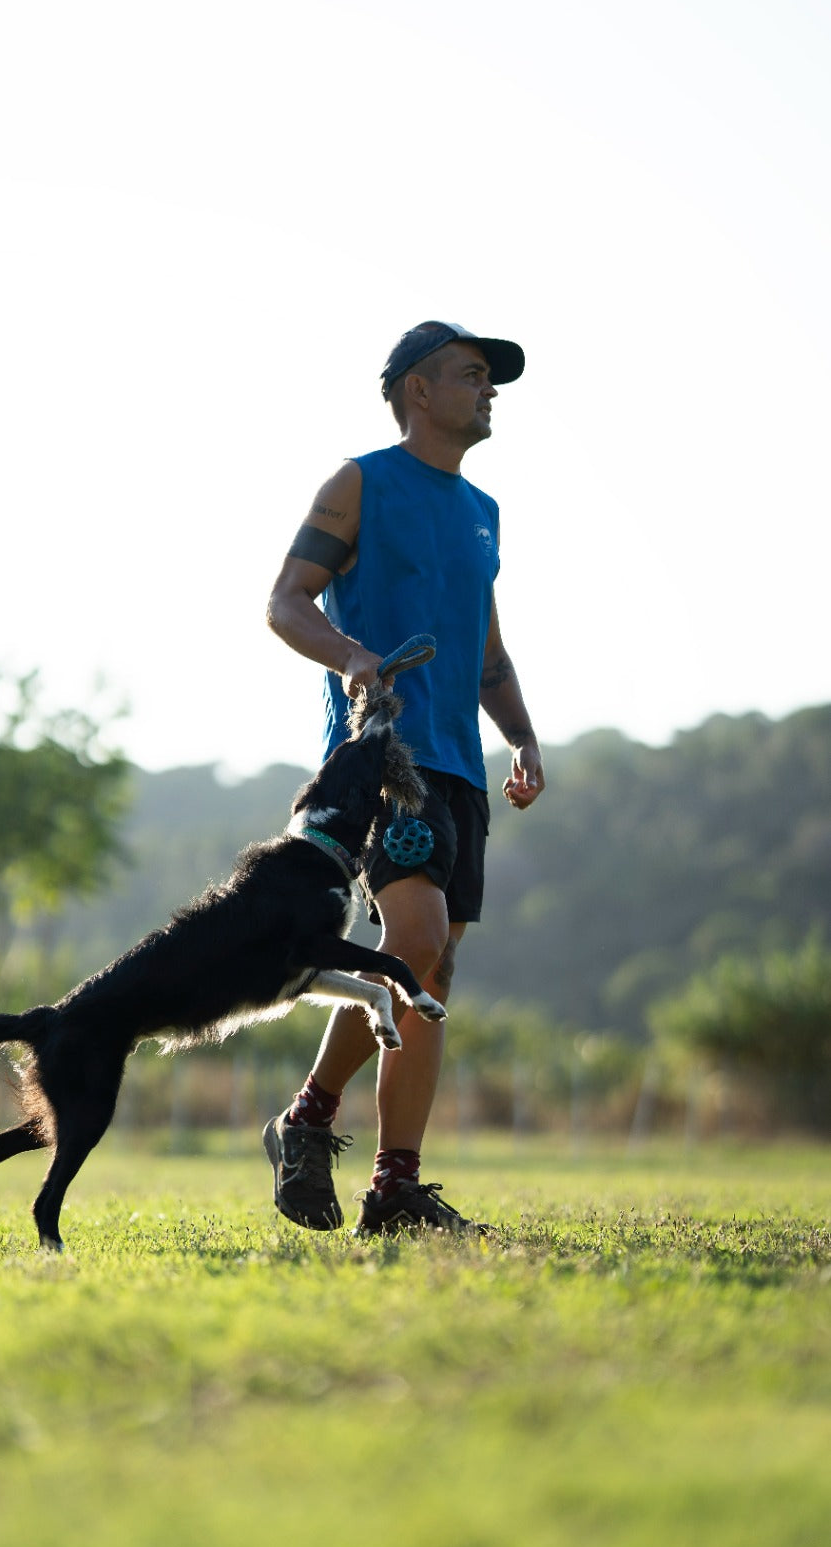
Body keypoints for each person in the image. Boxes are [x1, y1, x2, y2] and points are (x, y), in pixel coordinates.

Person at [262, 319, 545, 1235]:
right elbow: (285, 601)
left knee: (437, 962)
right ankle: (309, 1121)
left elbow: (486, 648)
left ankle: (393, 1188)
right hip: (384, 756)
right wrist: (352, 658)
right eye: (471, 375)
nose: (488, 390)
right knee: (413, 939)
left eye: (489, 380)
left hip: (461, 765)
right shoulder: (360, 483)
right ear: (417, 391)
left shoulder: (481, 512)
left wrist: (523, 737)